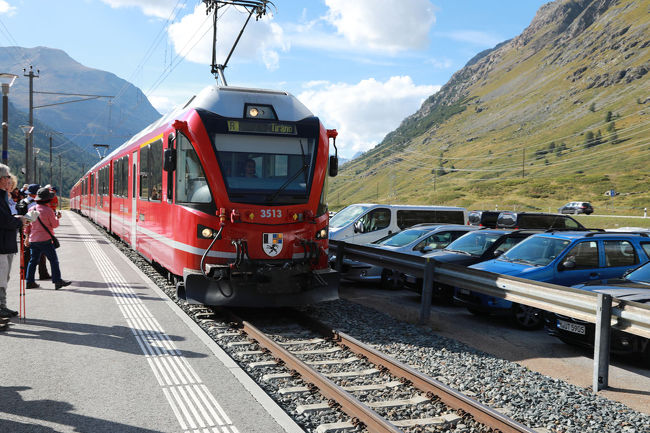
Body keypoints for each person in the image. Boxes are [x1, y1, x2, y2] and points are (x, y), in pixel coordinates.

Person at [24, 187, 70, 290]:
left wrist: (26, 238)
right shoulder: (48, 210)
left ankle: (29, 282)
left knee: (33, 261)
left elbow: (27, 225)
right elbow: (54, 225)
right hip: (45, 240)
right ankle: (57, 281)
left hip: (34, 240)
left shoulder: (32, 209)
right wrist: (57, 218)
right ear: (47, 199)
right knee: (53, 260)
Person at [0, 164, 26, 319]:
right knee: (1, 277)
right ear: (2, 179)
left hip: (6, 243)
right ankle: (1, 307)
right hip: (2, 245)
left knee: (4, 277)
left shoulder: (3, 196)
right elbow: (3, 220)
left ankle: (2, 306)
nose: (10, 180)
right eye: (8, 177)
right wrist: (19, 221)